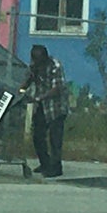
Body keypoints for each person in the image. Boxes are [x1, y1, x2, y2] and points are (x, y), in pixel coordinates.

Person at [20, 45, 69, 178]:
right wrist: (21, 90)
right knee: (38, 135)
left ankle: (56, 168)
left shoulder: (55, 66)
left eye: (38, 61)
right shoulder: (34, 66)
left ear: (45, 59)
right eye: (34, 60)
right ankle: (45, 163)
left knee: (55, 139)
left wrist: (39, 98)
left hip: (56, 106)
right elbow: (28, 80)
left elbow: (57, 88)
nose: (35, 63)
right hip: (42, 105)